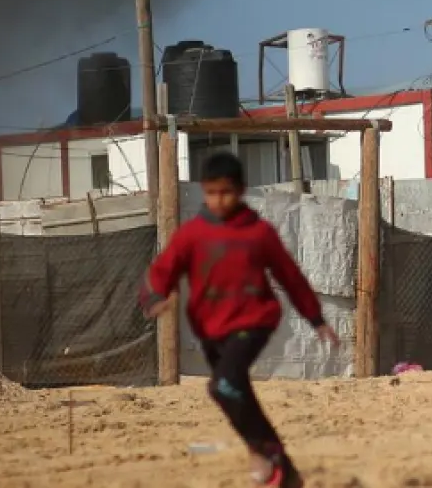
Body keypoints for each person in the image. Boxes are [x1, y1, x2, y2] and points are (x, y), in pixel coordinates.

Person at [140, 151, 339, 488]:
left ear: (241, 190)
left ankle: (267, 452)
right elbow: (164, 268)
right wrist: (155, 296)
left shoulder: (258, 233)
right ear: (203, 191)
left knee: (223, 386)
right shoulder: (193, 234)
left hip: (253, 320)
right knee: (235, 394)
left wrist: (316, 318)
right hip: (210, 328)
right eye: (212, 192)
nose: (219, 200)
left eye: (227, 192)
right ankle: (284, 469)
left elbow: (289, 275)